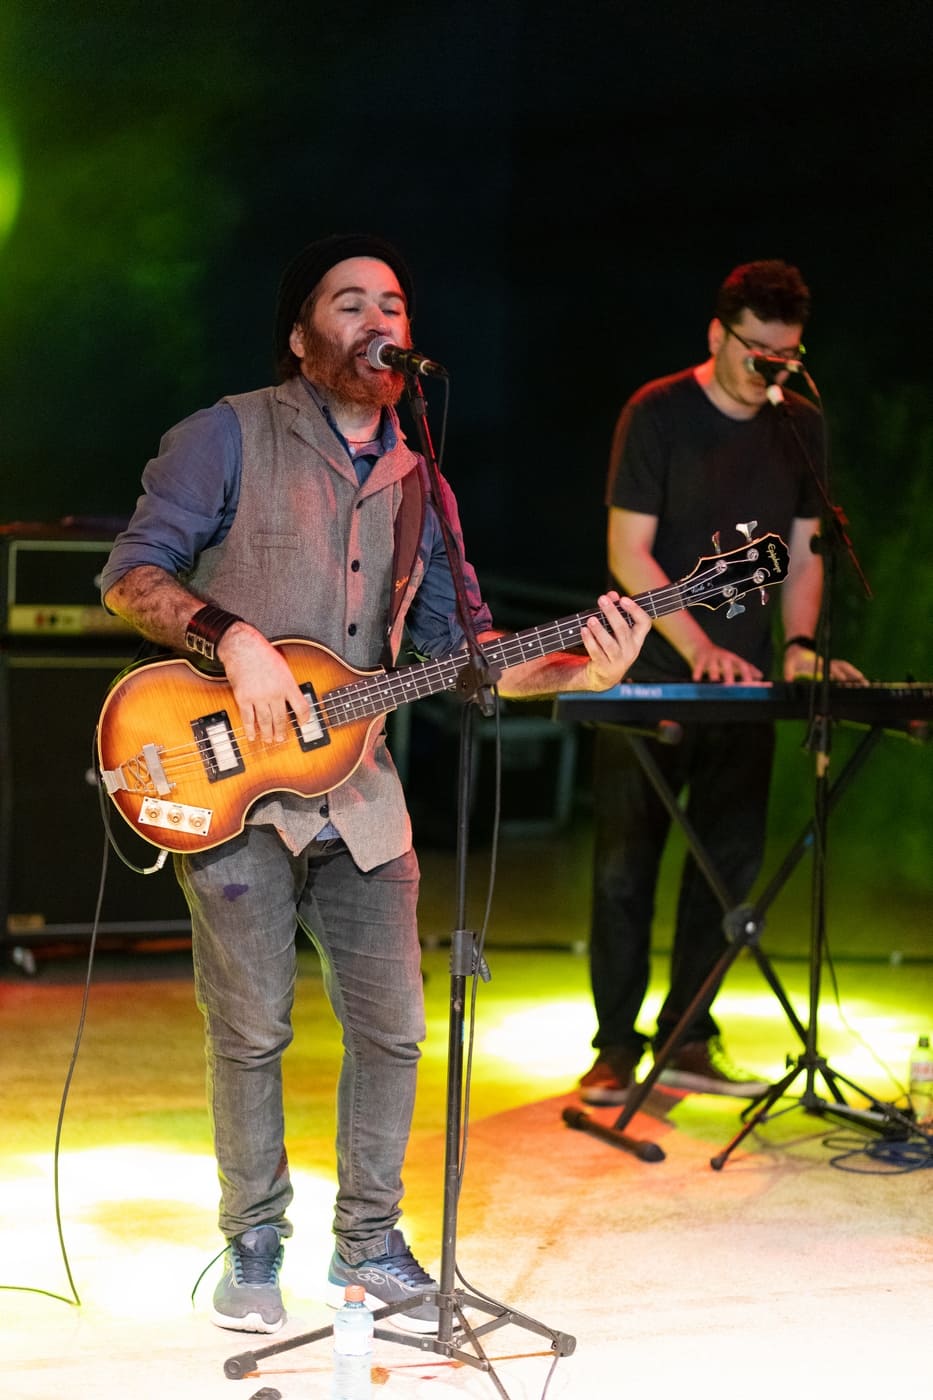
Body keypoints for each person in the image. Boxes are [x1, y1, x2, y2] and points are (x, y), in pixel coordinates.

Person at [102, 233, 650, 1335]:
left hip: (360, 796)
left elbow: (468, 655)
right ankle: (253, 1238)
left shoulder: (420, 487)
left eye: (392, 303)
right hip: (232, 789)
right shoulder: (227, 434)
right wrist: (234, 639)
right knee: (250, 1029)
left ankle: (368, 1246)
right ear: (302, 338)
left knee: (395, 1030)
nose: (377, 320)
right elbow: (130, 574)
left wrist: (580, 670)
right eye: (348, 303)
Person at [579, 259, 865, 1107]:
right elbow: (628, 551)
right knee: (623, 870)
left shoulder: (799, 426)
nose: (770, 371)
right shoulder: (656, 412)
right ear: (718, 333)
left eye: (785, 358)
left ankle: (687, 1036)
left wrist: (799, 646)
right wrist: (699, 644)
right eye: (757, 354)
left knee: (727, 868)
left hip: (744, 687)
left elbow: (805, 553)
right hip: (644, 678)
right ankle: (613, 1047)